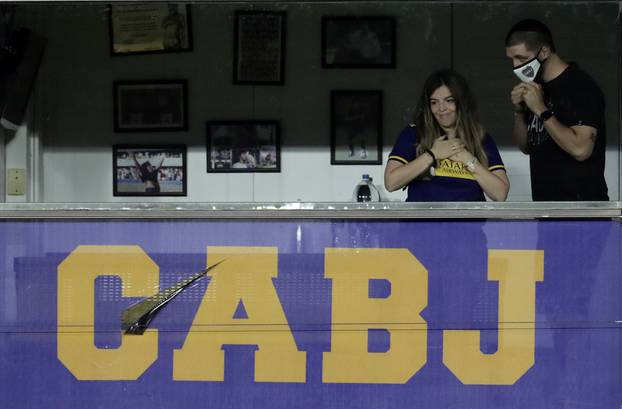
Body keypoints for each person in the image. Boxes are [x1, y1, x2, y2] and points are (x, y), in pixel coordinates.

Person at [506, 19, 608, 201]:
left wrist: (542, 110)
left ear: (544, 51)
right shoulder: (537, 88)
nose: (515, 66)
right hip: (546, 210)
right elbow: (526, 146)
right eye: (512, 59)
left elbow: (581, 149)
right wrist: (519, 111)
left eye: (521, 58)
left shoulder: (580, 87)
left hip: (581, 213)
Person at [384, 69, 509, 202]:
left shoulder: (480, 137)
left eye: (449, 100)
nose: (441, 108)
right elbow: (391, 183)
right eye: (434, 102)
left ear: (461, 102)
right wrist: (432, 155)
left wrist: (468, 160)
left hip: (469, 222)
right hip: (422, 222)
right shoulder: (414, 133)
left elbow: (500, 194)